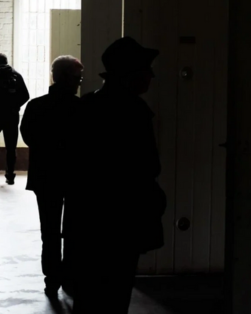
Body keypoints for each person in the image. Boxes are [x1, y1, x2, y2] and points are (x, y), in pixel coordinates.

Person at [64, 37, 166, 314]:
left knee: (90, 294)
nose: (151, 76)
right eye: (146, 70)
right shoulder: (134, 112)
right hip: (122, 220)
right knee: (116, 292)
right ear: (130, 74)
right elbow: (148, 167)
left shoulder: (86, 106)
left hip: (89, 219)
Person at [20, 55, 83, 298]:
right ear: (68, 79)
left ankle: (52, 278)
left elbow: (27, 135)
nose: (79, 82)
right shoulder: (81, 107)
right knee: (74, 229)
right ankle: (69, 275)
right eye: (77, 78)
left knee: (49, 229)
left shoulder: (36, 106)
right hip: (75, 175)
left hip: (45, 174)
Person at [0, 53, 30, 184]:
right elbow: (25, 95)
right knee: (11, 146)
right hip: (11, 116)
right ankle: (10, 175)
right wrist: (14, 106)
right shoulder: (17, 76)